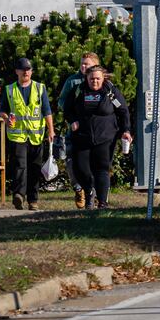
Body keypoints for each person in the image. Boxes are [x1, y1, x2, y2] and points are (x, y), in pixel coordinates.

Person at [65, 65, 132, 209]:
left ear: (103, 78)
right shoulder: (78, 91)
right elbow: (67, 109)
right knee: (80, 169)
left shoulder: (110, 92)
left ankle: (103, 203)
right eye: (91, 79)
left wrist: (126, 130)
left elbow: (123, 111)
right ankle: (89, 191)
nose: (94, 81)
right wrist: (73, 120)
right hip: (82, 137)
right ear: (86, 78)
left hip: (106, 137)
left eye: (97, 79)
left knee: (102, 168)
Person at [0, 57, 55, 211]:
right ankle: (18, 196)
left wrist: (51, 130)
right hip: (18, 135)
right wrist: (6, 119)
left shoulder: (39, 88)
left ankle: (33, 200)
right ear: (17, 71)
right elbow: (3, 110)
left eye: (29, 69)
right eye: (23, 69)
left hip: (36, 135)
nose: (26, 72)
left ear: (31, 71)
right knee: (20, 166)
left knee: (35, 168)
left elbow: (47, 111)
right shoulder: (9, 89)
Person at [57, 52, 101, 209]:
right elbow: (61, 102)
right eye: (82, 63)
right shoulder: (72, 81)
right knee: (71, 162)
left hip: (95, 131)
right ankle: (78, 189)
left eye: (87, 64)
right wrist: (73, 116)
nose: (83, 66)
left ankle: (94, 193)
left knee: (94, 164)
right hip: (74, 130)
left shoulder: (100, 80)